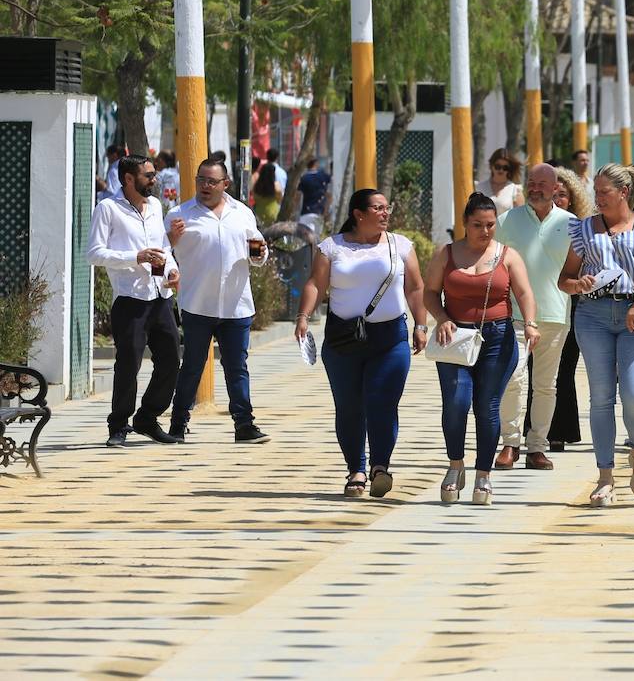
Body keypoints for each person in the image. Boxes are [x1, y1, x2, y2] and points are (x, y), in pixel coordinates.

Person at [296, 189, 428, 498]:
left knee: (382, 403)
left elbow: (416, 288)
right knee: (350, 407)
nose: (385, 213)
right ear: (359, 214)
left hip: (390, 338)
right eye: (378, 208)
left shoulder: (400, 245)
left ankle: (380, 465)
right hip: (344, 339)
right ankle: (356, 468)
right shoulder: (332, 247)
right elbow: (316, 284)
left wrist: (421, 324)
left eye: (387, 208)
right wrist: (303, 316)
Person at [557, 163, 634, 506]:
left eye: (604, 192)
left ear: (624, 193)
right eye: (596, 192)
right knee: (601, 396)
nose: (598, 198)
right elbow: (565, 279)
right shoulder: (583, 230)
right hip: (593, 315)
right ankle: (605, 475)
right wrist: (578, 284)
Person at [425, 193, 539, 504]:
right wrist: (442, 318)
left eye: (490, 225)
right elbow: (430, 293)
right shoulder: (446, 254)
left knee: (488, 407)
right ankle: (455, 465)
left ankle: (483, 475)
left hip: (497, 337)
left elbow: (525, 293)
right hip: (456, 338)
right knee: (456, 403)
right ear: (464, 223)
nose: (485, 231)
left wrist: (530, 323)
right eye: (477, 224)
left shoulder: (507, 255)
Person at [165, 158, 271, 443]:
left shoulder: (242, 213)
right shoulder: (180, 214)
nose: (205, 186)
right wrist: (170, 240)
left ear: (226, 184)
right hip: (198, 304)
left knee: (237, 367)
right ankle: (178, 423)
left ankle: (244, 425)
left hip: (236, 305)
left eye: (212, 181)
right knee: (192, 366)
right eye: (201, 180)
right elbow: (162, 252)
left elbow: (258, 249)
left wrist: (260, 255)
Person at [87, 154, 182, 447]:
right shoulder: (108, 209)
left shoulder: (155, 206)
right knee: (128, 364)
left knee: (170, 360)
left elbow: (162, 247)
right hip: (130, 300)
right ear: (129, 179)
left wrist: (171, 269)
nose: (155, 180)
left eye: (154, 174)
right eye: (148, 175)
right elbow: (94, 253)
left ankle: (148, 418)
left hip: (160, 296)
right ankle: (118, 425)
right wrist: (134, 257)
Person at [492, 164, 576, 471]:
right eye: (531, 183)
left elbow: (581, 266)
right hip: (513, 315)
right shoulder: (506, 221)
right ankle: (510, 443)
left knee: (546, 385)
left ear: (556, 189)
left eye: (542, 184)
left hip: (556, 315)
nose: (535, 188)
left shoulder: (572, 224)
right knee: (513, 380)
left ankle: (537, 447)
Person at [546, 168, 591, 449]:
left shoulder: (580, 228)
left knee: (564, 368)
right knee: (538, 368)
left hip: (571, 301)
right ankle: (534, 428)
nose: (558, 199)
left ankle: (559, 431)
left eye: (563, 195)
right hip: (540, 301)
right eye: (554, 194)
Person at [477, 148, 525, 214]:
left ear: (509, 169)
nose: (501, 170)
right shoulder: (479, 187)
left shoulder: (515, 190)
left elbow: (521, 217)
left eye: (505, 168)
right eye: (498, 166)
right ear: (491, 166)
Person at [295, 157, 333, 221]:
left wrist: (295, 211)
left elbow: (298, 196)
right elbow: (329, 195)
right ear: (316, 164)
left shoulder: (303, 178)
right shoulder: (324, 176)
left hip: (306, 212)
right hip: (320, 211)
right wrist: (326, 212)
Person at [252, 159, 283, 226]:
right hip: (273, 214)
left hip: (258, 214)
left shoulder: (257, 186)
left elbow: (254, 197)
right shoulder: (276, 186)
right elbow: (280, 199)